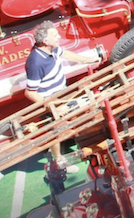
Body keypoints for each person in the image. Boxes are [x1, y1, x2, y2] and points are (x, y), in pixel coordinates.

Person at [24, 21, 99, 174]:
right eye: (55, 35)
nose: (59, 37)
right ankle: (59, 160)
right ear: (45, 41)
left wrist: (87, 60)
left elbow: (65, 53)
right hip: (50, 99)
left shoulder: (52, 49)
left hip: (62, 93)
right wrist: (53, 107)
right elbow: (30, 92)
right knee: (55, 130)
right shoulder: (36, 62)